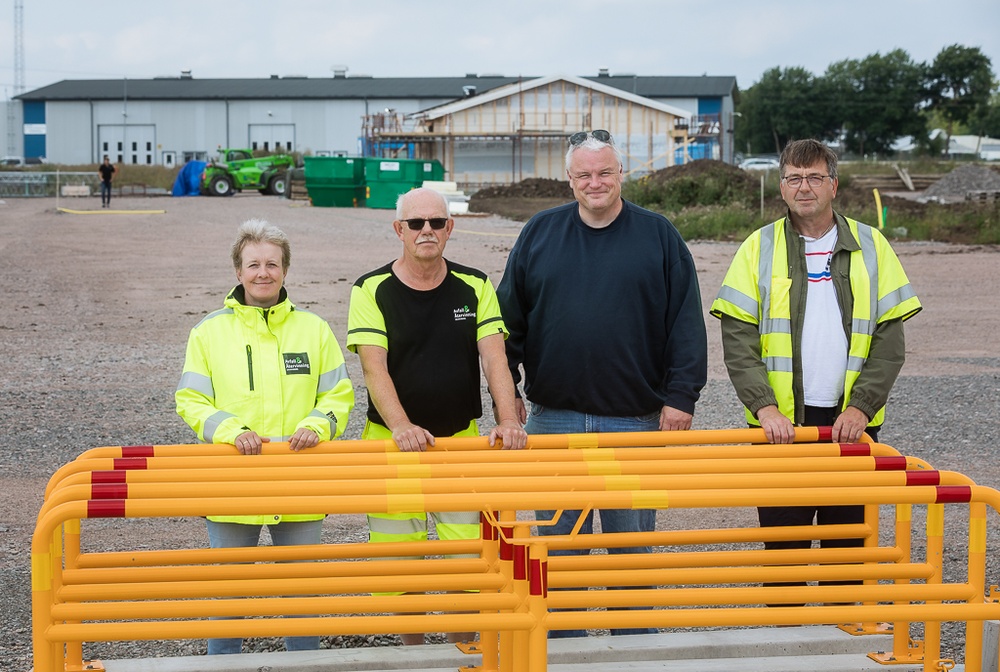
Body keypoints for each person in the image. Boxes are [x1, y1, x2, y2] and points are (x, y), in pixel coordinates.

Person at [496, 130, 708, 637]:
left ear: (621, 175)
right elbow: (508, 323)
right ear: (570, 181)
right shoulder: (539, 234)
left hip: (634, 419)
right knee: (559, 546)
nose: (596, 182)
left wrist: (681, 396)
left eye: (605, 172)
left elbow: (686, 322)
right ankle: (562, 647)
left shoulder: (658, 236)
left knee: (630, 550)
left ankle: (632, 647)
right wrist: (508, 398)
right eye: (584, 174)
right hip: (556, 419)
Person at [710, 138, 921, 582]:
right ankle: (785, 639)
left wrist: (861, 406)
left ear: (833, 185)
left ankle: (844, 639)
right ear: (782, 187)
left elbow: (889, 340)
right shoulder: (758, 247)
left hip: (852, 425)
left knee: (847, 549)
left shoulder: (872, 244)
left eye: (814, 177)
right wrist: (763, 407)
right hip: (780, 429)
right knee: (783, 552)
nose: (804, 187)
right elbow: (738, 339)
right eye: (794, 178)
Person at [346, 186, 527, 645]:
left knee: (467, 561)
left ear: (450, 228)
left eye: (435, 223)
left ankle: (463, 653)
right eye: (415, 224)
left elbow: (495, 359)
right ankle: (415, 657)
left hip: (460, 439)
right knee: (399, 563)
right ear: (398, 230)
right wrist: (402, 425)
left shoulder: (476, 285)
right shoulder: (371, 289)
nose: (426, 231)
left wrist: (508, 419)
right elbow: (373, 365)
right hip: (391, 442)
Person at [175, 218, 355, 654]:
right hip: (232, 484)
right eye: (253, 264)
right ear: (238, 271)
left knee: (302, 595)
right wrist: (233, 431)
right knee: (229, 596)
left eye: (272, 264)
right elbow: (191, 400)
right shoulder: (209, 332)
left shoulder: (313, 330)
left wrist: (317, 426)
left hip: (300, 483)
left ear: (285, 270)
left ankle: (306, 665)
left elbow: (338, 394)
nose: (263, 273)